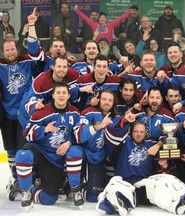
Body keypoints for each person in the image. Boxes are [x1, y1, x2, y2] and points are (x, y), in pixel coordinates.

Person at [97, 117, 185, 215]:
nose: (139, 134)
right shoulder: (123, 143)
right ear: (131, 132)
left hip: (143, 184)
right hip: (125, 182)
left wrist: (162, 159)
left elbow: (167, 140)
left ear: (145, 133)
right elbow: (115, 133)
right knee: (115, 183)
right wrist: (125, 119)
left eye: (141, 132)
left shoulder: (151, 144)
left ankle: (180, 200)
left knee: (163, 179)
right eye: (136, 131)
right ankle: (118, 201)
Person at [15, 82, 83, 210]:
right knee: (23, 155)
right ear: (53, 95)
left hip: (55, 159)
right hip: (40, 150)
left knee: (49, 199)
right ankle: (25, 191)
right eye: (58, 93)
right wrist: (44, 129)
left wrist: (69, 143)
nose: (61, 96)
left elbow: (79, 134)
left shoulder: (75, 113)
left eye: (64, 93)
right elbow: (27, 133)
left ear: (69, 95)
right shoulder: (42, 111)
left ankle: (35, 189)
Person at [0, 8, 43, 202]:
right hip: (6, 114)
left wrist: (32, 26)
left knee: (22, 148)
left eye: (12, 49)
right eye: (7, 50)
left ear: (17, 49)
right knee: (10, 149)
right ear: (3, 52)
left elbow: (37, 53)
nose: (10, 52)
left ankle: (28, 177)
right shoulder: (0, 65)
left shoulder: (28, 62)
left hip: (24, 114)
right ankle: (17, 178)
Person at [76, 89, 118, 202]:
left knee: (95, 195)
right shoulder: (88, 112)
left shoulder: (116, 117)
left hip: (100, 158)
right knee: (93, 197)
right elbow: (79, 137)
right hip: (86, 154)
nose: (107, 102)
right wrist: (100, 125)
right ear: (98, 100)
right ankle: (75, 186)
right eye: (104, 99)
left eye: (110, 100)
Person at [18, 55, 80, 128]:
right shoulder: (41, 81)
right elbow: (29, 99)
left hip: (53, 115)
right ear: (53, 67)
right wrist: (35, 105)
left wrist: (80, 89)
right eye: (59, 66)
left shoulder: (73, 75)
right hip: (28, 117)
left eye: (64, 67)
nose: (62, 70)